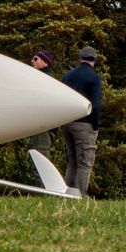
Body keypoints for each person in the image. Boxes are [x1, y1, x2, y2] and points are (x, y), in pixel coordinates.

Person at [61, 45, 102, 197]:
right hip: (84, 124)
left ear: (80, 58)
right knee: (85, 163)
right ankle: (82, 196)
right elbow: (95, 105)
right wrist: (95, 126)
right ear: (95, 60)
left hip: (67, 122)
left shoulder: (67, 76)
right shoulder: (94, 78)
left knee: (72, 162)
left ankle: (68, 195)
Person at [27, 50, 56, 157]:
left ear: (45, 62)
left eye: (36, 59)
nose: (32, 61)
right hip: (40, 126)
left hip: (44, 127)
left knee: (40, 160)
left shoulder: (47, 79)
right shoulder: (42, 78)